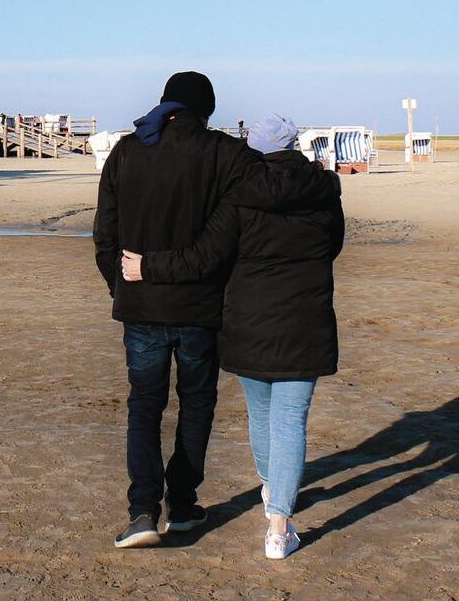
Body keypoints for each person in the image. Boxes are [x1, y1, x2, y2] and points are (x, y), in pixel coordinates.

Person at [93, 72, 335, 549]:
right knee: (196, 405)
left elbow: (106, 233)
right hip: (201, 306)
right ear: (207, 110)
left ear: (166, 103)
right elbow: (272, 188)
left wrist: (119, 286)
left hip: (142, 305)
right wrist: (321, 184)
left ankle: (144, 509)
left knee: (144, 406)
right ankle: (182, 504)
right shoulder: (225, 153)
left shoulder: (126, 151)